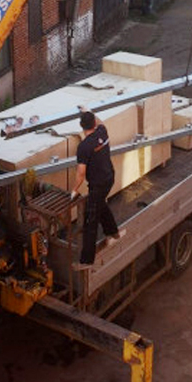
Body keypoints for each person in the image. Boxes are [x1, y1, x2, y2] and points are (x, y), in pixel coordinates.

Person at [71, 111, 122, 267]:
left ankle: (86, 261)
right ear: (94, 123)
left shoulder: (83, 147)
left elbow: (81, 173)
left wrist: (74, 190)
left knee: (90, 221)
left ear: (81, 126)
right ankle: (113, 231)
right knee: (100, 204)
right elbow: (100, 121)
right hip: (109, 178)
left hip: (98, 184)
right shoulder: (103, 132)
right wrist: (88, 110)